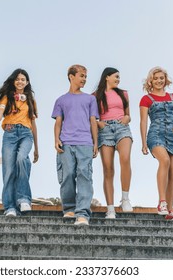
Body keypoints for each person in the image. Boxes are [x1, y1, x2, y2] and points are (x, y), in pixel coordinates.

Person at [51, 64, 99, 226]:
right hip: (66, 143)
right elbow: (58, 122)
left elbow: (93, 121)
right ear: (71, 77)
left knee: (84, 176)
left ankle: (83, 213)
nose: (84, 79)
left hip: (85, 142)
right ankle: (69, 208)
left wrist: (95, 142)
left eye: (86, 76)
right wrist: (56, 139)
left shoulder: (90, 99)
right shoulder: (61, 100)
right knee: (68, 175)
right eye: (82, 76)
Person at [139, 66, 173, 221]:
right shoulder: (146, 99)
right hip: (156, 134)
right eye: (156, 78)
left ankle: (170, 211)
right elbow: (143, 121)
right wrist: (143, 143)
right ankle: (162, 202)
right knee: (164, 161)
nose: (159, 81)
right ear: (150, 81)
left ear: (165, 80)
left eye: (161, 78)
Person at [0, 69, 39, 217]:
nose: (20, 81)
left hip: (26, 134)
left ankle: (23, 199)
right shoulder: (7, 97)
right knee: (9, 170)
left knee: (22, 158)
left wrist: (36, 148)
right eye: (17, 79)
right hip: (9, 133)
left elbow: (34, 124)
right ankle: (10, 206)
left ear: (27, 82)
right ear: (13, 81)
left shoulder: (31, 100)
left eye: (23, 79)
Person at [93, 67, 133, 219]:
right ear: (107, 77)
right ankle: (110, 208)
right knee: (108, 169)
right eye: (116, 76)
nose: (118, 79)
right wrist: (99, 123)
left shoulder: (123, 94)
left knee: (125, 159)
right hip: (105, 130)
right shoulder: (96, 96)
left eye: (119, 77)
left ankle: (125, 199)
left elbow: (129, 115)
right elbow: (92, 117)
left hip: (122, 128)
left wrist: (126, 119)